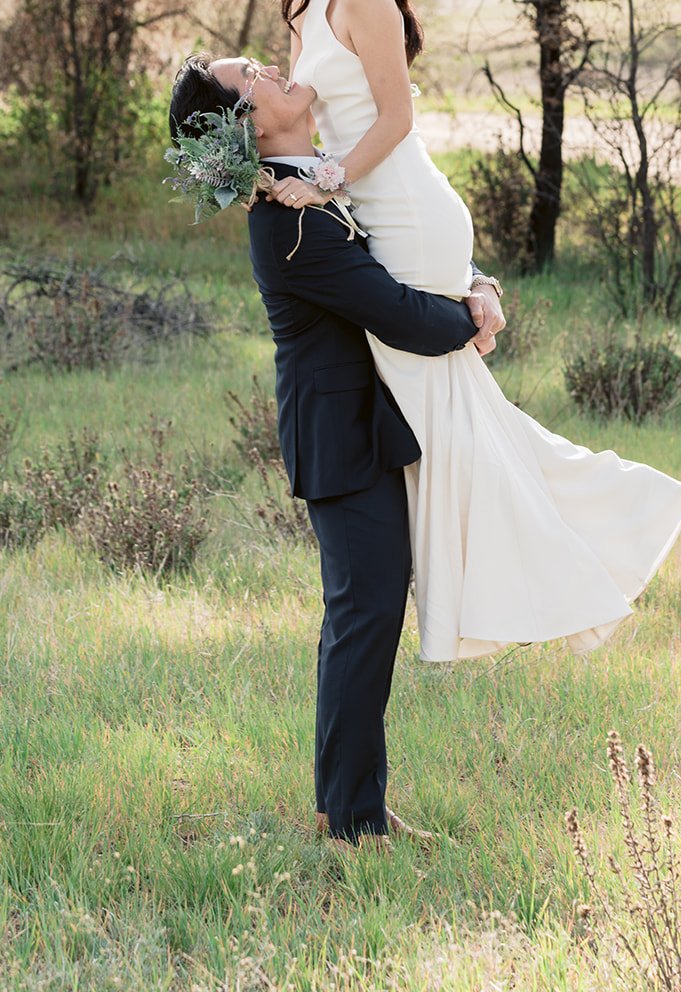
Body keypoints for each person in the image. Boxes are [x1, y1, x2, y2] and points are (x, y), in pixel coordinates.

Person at [253, 0, 681, 663]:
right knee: (464, 421)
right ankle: (587, 532)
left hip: (402, 210)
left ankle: (539, 572)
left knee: (451, 425)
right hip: (365, 210)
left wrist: (325, 180)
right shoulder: (306, 2)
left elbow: (394, 121)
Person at [168, 54, 506, 847]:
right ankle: (352, 821)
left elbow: (416, 241)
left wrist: (477, 282)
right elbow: (395, 311)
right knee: (364, 618)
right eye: (249, 72)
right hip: (341, 438)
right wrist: (476, 317)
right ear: (247, 125)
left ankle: (347, 805)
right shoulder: (287, 224)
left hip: (372, 424)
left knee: (360, 617)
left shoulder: (322, 178)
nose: (269, 64)